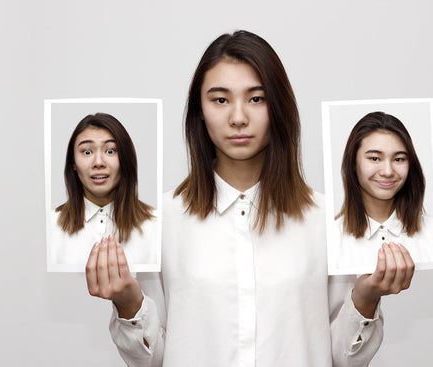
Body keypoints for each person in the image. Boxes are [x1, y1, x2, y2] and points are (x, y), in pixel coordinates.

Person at [86, 31, 414, 367]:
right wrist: (128, 305)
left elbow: (343, 359)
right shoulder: (159, 221)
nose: (238, 117)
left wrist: (366, 299)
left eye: (256, 98)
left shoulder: (329, 220)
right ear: (199, 110)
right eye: (220, 100)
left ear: (279, 107)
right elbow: (151, 360)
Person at [49, 113, 156, 269]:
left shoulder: (156, 226)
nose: (98, 162)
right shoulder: (50, 226)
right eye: (87, 152)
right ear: (73, 163)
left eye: (110, 151)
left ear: (125, 159)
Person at [336, 111, 433, 273]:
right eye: (375, 158)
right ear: (353, 163)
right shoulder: (332, 241)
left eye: (398, 159)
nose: (388, 171)